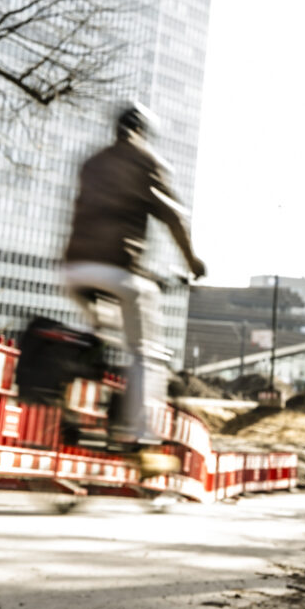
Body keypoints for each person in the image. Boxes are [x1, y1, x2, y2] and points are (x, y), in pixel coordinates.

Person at [62, 103, 206, 448]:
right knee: (145, 349)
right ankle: (142, 436)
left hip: (74, 270)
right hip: (117, 269)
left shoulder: (92, 161)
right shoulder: (145, 162)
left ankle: (71, 405)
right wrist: (192, 262)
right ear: (142, 132)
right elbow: (173, 217)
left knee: (99, 333)